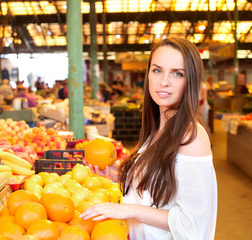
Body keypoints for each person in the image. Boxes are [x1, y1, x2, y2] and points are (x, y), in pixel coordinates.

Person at [81, 37, 217, 240]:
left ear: (191, 81)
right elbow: (158, 190)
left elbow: (194, 224)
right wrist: (122, 175)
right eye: (157, 70)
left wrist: (131, 211)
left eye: (177, 74)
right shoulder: (158, 128)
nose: (164, 81)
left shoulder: (191, 137)